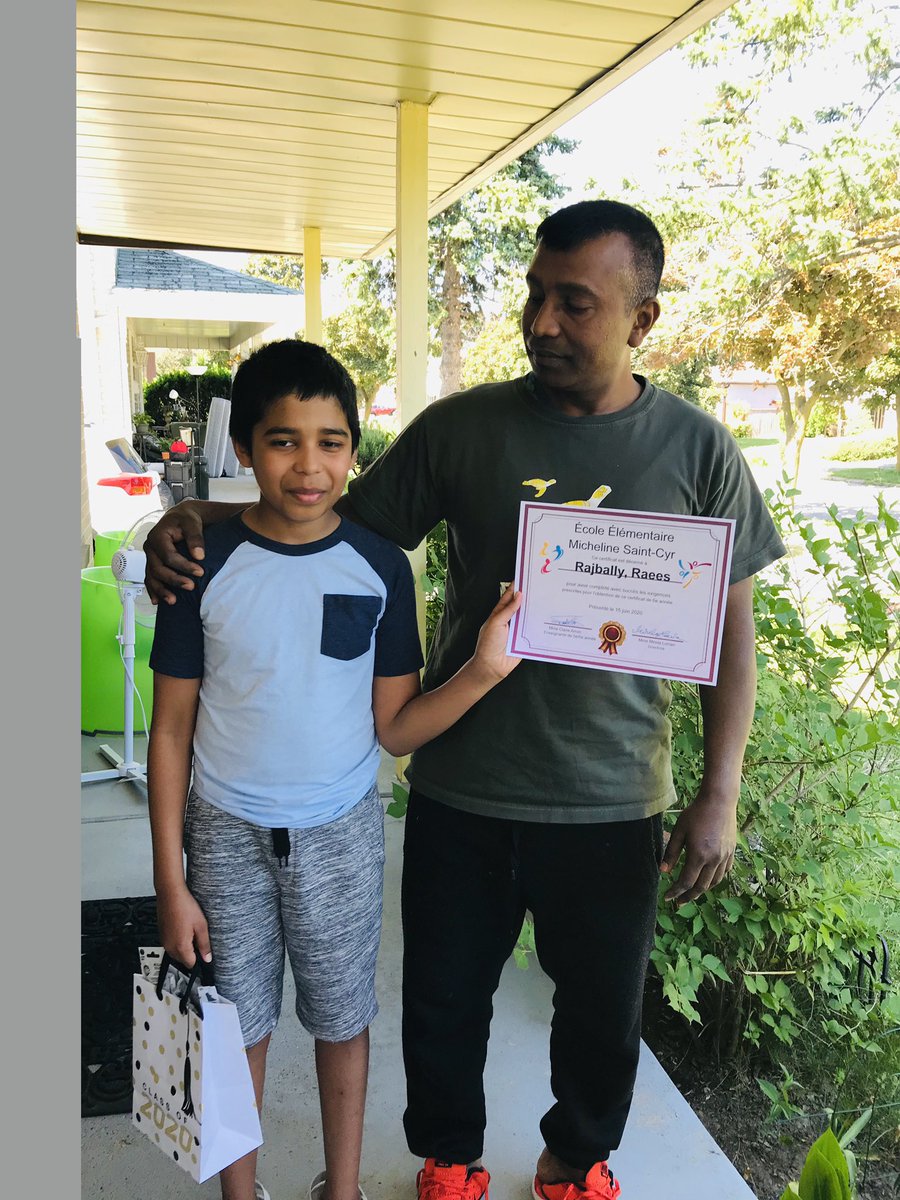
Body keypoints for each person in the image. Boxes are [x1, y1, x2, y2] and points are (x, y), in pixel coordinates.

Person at [144, 200, 787, 1200]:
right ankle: (449, 1159)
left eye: (575, 303)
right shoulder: (462, 430)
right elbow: (317, 518)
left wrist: (722, 791)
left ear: (642, 318)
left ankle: (575, 1162)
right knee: (443, 1000)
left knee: (602, 1011)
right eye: (535, 295)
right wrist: (194, 516)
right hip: (463, 782)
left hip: (613, 792)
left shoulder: (698, 451)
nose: (542, 322)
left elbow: (731, 631)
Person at [146, 338, 521, 1200]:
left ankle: (341, 1190)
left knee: (342, 1021)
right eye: (283, 441)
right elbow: (170, 731)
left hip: (340, 836)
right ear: (246, 449)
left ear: (355, 448)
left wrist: (484, 670)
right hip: (225, 833)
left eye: (331, 442)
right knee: (230, 1026)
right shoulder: (203, 564)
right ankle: (240, 1193)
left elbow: (396, 729)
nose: (309, 466)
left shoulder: (381, 566)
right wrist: (171, 881)